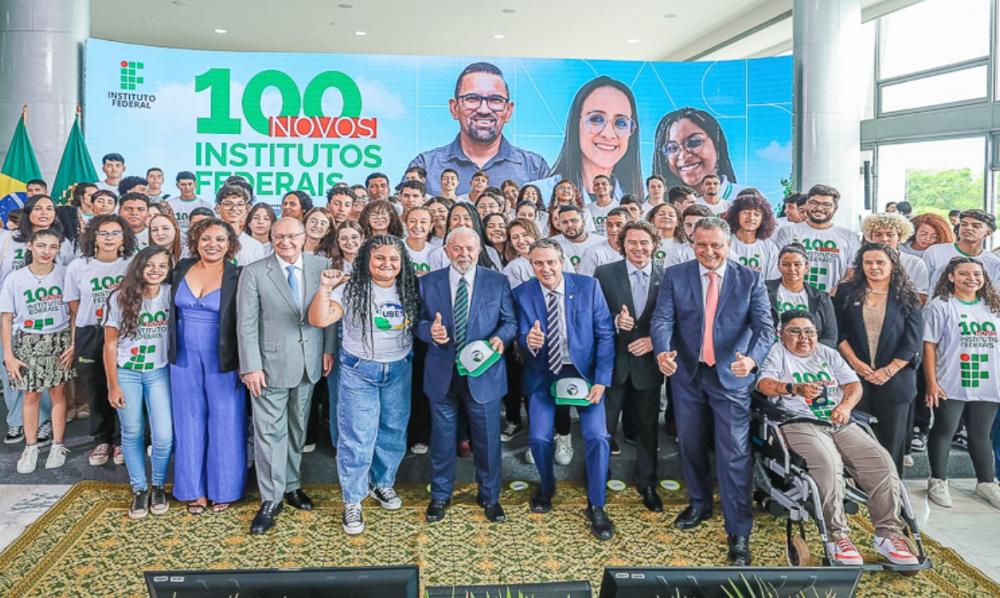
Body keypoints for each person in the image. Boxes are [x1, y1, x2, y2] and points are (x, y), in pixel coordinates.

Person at [650, 217, 774, 566]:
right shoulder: (676, 276)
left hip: (731, 379)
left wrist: (751, 360)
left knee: (734, 452)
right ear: (692, 243)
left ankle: (738, 531)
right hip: (687, 376)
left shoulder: (749, 279)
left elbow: (766, 328)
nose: (708, 251)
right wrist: (662, 350)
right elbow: (662, 320)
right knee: (689, 444)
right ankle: (700, 504)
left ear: (728, 244)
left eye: (716, 245)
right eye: (702, 245)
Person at [756, 310, 921, 566]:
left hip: (837, 420)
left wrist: (845, 407)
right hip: (798, 421)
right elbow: (763, 384)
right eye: (795, 331)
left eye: (809, 331)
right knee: (828, 463)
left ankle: (888, 535)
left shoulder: (828, 354)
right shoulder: (778, 352)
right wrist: (793, 388)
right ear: (782, 334)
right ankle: (837, 537)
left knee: (881, 462)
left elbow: (854, 386)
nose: (803, 338)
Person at [307, 234, 419, 534]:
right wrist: (324, 289)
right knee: (357, 436)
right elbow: (319, 319)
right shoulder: (351, 287)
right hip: (359, 371)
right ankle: (353, 500)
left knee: (393, 431)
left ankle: (383, 484)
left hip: (399, 368)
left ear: (402, 262)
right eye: (379, 258)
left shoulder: (410, 286)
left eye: (393, 259)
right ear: (367, 259)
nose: (387, 264)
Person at [238, 217, 336, 534]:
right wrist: (251, 366)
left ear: (304, 235)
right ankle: (271, 498)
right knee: (269, 434)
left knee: (297, 430)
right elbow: (246, 324)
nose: (286, 242)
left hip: (309, 362)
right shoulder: (254, 271)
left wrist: (328, 349)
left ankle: (292, 485)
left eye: (292, 236)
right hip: (269, 366)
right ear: (272, 238)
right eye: (279, 237)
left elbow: (331, 312)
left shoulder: (321, 265)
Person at [514, 238, 616, 540]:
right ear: (531, 266)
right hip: (544, 374)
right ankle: (546, 486)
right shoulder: (522, 294)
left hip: (585, 374)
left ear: (562, 261)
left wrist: (601, 379)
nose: (545, 269)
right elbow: (520, 336)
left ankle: (596, 504)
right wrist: (528, 342)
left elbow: (606, 335)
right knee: (539, 438)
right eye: (538, 263)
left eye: (551, 262)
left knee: (598, 436)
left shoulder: (588, 287)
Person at [415, 227, 516, 523]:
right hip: (441, 374)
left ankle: (490, 496)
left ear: (478, 250)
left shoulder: (497, 281)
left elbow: (509, 322)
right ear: (446, 251)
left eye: (470, 249)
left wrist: (501, 338)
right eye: (457, 249)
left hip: (483, 373)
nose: (464, 254)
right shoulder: (427, 282)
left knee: (487, 441)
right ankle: (440, 496)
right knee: (443, 440)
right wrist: (428, 331)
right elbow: (416, 323)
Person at [169, 218, 246, 515]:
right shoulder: (180, 269)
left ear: (230, 245)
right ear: (196, 241)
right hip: (183, 357)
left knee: (226, 421)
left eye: (219, 240)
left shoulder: (237, 275)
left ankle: (223, 488)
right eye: (206, 239)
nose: (212, 244)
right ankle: (193, 490)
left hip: (223, 358)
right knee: (188, 420)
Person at [594, 220, 665, 511]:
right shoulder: (604, 273)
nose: (638, 248)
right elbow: (591, 312)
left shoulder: (667, 276)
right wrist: (614, 319)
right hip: (613, 362)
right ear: (622, 244)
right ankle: (598, 479)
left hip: (648, 363)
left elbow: (672, 319)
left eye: (644, 242)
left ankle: (647, 482)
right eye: (632, 242)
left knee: (648, 427)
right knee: (603, 427)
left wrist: (653, 341)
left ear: (654, 245)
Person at [834, 243, 922, 473]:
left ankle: (892, 497)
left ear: (893, 265)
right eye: (868, 262)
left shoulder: (907, 295)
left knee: (891, 442)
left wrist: (888, 370)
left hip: (896, 379)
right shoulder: (846, 291)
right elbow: (838, 332)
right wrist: (856, 364)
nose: (874, 267)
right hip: (855, 377)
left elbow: (913, 341)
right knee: (856, 440)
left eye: (880, 262)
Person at [103, 245, 174, 519]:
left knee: (164, 436)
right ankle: (139, 488)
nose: (156, 270)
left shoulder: (170, 294)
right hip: (127, 372)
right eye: (150, 265)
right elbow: (109, 345)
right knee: (132, 432)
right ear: (139, 267)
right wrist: (113, 384)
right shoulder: (119, 297)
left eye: (163, 266)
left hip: (159, 372)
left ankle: (158, 485)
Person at [924, 257, 1000, 510]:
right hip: (951, 380)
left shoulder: (994, 305)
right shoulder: (941, 305)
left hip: (987, 381)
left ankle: (986, 482)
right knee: (945, 428)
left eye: (977, 274)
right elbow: (929, 346)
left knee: (981, 433)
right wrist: (932, 383)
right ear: (951, 277)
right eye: (964, 274)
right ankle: (938, 479)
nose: (972, 279)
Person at [407, 62, 549, 196]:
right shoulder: (425, 166)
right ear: (454, 108)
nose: (484, 110)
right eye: (472, 98)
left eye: (495, 100)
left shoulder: (534, 169)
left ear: (508, 111)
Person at [65, 215, 138, 467]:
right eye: (103, 233)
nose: (109, 238)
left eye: (115, 233)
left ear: (124, 237)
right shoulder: (78, 266)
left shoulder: (131, 264)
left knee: (123, 386)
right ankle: (102, 439)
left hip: (123, 333)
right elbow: (74, 304)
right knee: (96, 388)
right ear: (93, 236)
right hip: (91, 332)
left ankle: (121, 440)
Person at [3, 229, 76, 473]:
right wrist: (9, 355)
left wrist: (74, 344)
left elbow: (75, 313)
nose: (47, 252)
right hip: (28, 340)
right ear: (30, 246)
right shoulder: (15, 279)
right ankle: (31, 446)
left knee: (58, 393)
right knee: (31, 395)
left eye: (53, 247)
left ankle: (57, 444)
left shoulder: (65, 275)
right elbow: (6, 318)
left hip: (59, 338)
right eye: (42, 245)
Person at [530, 76, 642, 201]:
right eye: (596, 119)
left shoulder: (638, 200)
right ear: (576, 125)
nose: (608, 134)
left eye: (621, 122)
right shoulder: (539, 194)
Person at [771, 184, 860, 294]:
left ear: (835, 208)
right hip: (793, 298)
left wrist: (836, 292)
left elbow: (853, 271)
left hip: (832, 300)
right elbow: (777, 265)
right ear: (807, 204)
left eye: (826, 204)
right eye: (814, 203)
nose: (819, 208)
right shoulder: (788, 232)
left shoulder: (849, 237)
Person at [651, 107, 742, 200]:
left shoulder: (743, 198)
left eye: (694, 142)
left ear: (716, 143)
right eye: (671, 148)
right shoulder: (659, 207)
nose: (683, 156)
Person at [766, 244, 838, 347]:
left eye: (797, 264)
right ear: (779, 266)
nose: (791, 269)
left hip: (811, 357)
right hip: (771, 354)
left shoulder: (822, 298)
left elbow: (830, 337)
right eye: (786, 264)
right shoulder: (763, 290)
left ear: (807, 267)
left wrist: (810, 355)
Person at [923, 209, 1000, 288]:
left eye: (976, 226)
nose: (968, 228)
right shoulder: (935, 252)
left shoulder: (993, 262)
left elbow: (993, 295)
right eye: (963, 224)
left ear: (988, 232)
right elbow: (921, 289)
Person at [862, 213, 930, 302]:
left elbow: (921, 297)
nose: (884, 239)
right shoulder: (862, 261)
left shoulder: (915, 263)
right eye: (878, 235)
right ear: (870, 237)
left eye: (890, 235)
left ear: (900, 237)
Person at [725, 189, 779, 278]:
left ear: (763, 219)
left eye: (756, 214)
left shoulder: (770, 248)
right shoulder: (725, 242)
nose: (751, 218)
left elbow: (772, 281)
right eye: (746, 212)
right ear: (736, 215)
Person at [214, 184, 267, 267]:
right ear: (217, 208)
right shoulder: (208, 241)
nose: (234, 208)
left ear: (246, 209)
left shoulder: (255, 246)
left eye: (240, 204)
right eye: (228, 204)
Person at [550, 206, 605, 272]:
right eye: (564, 222)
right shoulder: (552, 244)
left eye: (574, 221)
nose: (569, 225)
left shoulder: (601, 242)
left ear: (583, 222)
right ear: (559, 225)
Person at [579, 207, 630, 276]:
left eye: (619, 225)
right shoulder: (593, 253)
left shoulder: (636, 250)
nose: (613, 230)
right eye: (609, 225)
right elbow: (586, 281)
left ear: (629, 226)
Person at [167, 171, 213, 236]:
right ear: (177, 185)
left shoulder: (206, 205)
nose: (187, 188)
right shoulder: (170, 204)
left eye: (190, 184)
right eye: (183, 184)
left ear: (195, 184)